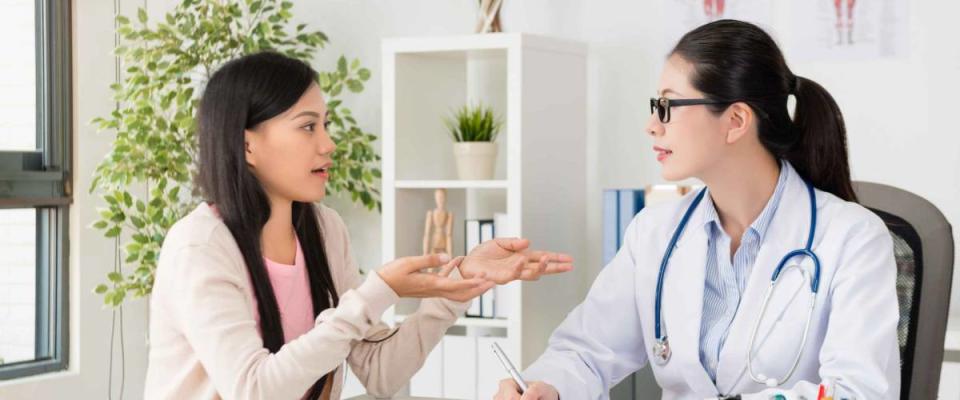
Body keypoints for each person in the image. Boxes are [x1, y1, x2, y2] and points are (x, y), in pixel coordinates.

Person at [495, 19, 899, 400]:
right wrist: (548, 386)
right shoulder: (654, 233)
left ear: (736, 120)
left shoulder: (853, 238)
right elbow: (586, 350)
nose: (652, 125)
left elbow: (857, 392)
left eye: (667, 106)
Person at [143, 51, 574, 400]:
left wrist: (458, 285)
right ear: (246, 144)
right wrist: (377, 291)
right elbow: (254, 390)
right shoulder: (199, 247)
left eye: (325, 125)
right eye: (308, 126)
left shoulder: (324, 230)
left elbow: (381, 373)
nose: (328, 144)